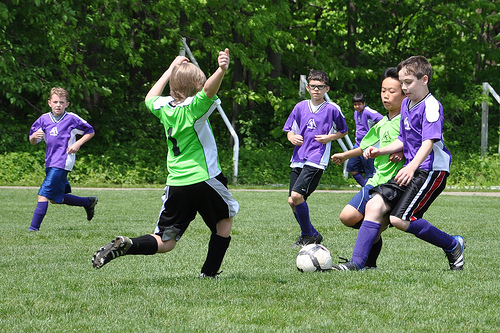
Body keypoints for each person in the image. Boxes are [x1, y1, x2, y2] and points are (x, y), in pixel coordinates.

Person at [92, 49, 239, 279]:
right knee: (224, 223)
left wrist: (170, 68)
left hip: (177, 184)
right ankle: (209, 274)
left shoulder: (163, 107)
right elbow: (209, 91)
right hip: (205, 179)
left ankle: (129, 244)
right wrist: (221, 70)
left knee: (165, 241)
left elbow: (149, 97)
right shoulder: (194, 108)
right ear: (194, 86)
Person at [332, 56, 465, 271]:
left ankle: (452, 244)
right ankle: (357, 264)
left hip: (431, 170)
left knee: (400, 220)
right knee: (373, 205)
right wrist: (380, 150)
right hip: (412, 169)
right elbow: (403, 140)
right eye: (402, 82)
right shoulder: (406, 104)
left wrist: (411, 166)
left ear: (424, 79)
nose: (404, 87)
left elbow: (428, 141)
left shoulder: (431, 106)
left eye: (408, 82)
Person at [330, 67, 405, 268]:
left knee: (374, 223)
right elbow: (364, 145)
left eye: (392, 91)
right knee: (347, 217)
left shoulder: (408, 121)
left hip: (393, 185)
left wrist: (404, 151)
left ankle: (365, 262)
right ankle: (371, 242)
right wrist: (345, 155)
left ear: (404, 92)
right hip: (375, 181)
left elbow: (421, 144)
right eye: (383, 91)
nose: (386, 96)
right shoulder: (381, 125)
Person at [283, 70, 348, 248]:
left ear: (326, 88)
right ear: (308, 87)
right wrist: (291, 137)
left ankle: (306, 237)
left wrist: (329, 138)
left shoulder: (332, 109)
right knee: (292, 201)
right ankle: (313, 234)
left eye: (320, 87)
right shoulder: (300, 107)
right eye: (313, 86)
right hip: (298, 157)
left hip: (316, 159)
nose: (316, 90)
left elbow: (343, 130)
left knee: (297, 196)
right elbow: (290, 129)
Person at [28, 87, 97, 231]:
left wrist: (77, 143)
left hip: (63, 161)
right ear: (49, 103)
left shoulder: (72, 118)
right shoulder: (43, 119)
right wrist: (33, 138)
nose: (58, 105)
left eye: (61, 102)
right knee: (54, 198)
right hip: (50, 161)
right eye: (55, 102)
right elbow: (33, 140)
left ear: (67, 104)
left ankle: (33, 229)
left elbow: (90, 131)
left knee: (43, 194)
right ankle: (87, 202)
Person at [346, 93, 383, 186]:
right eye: (355, 104)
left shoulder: (368, 111)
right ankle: (365, 188)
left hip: (368, 146)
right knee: (351, 167)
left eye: (359, 104)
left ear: (364, 103)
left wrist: (374, 130)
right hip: (358, 145)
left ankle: (369, 192)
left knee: (369, 173)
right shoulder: (356, 112)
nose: (357, 106)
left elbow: (382, 119)